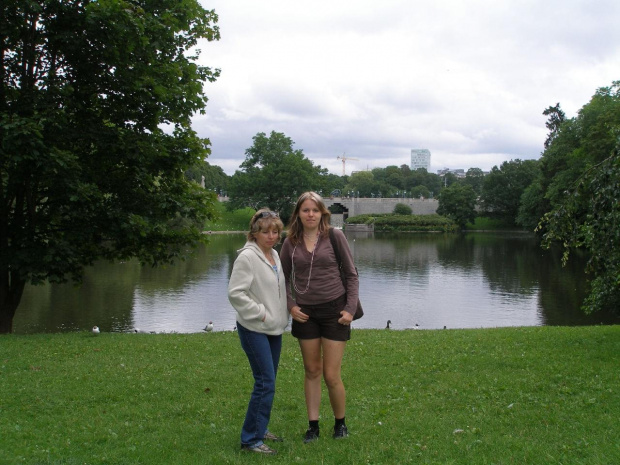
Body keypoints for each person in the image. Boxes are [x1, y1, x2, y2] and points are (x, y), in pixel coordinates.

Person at [280, 191, 360, 443]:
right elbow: (280, 280)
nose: (310, 214)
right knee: (312, 370)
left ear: (322, 213)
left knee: (331, 374)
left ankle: (340, 424)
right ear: (298, 214)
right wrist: (291, 305)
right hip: (305, 313)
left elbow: (351, 274)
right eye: (305, 210)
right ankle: (313, 426)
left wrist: (349, 308)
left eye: (315, 210)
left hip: (335, 312)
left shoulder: (334, 236)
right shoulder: (290, 243)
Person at [228, 208, 289, 455]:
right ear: (255, 232)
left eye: (275, 231)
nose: (272, 236)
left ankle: (260, 428)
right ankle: (251, 439)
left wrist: (280, 315)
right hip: (254, 327)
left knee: (268, 381)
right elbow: (235, 293)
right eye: (266, 232)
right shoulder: (247, 257)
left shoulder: (274, 254)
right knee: (265, 382)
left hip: (274, 328)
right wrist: (261, 312)